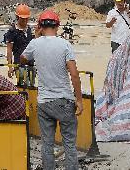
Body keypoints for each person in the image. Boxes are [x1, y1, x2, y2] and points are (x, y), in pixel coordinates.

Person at [20, 10, 83, 170]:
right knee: (69, 143)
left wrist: (36, 37)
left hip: (44, 103)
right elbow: (74, 75)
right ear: (58, 26)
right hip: (64, 101)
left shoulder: (35, 44)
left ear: (40, 26)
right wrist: (79, 100)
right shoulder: (65, 44)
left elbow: (23, 58)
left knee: (47, 144)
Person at [4, 3, 35, 87]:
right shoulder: (12, 32)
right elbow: (9, 50)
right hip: (19, 65)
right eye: (22, 19)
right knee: (23, 88)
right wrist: (10, 67)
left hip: (31, 64)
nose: (25, 21)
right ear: (18, 18)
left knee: (31, 87)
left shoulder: (30, 30)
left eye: (26, 19)